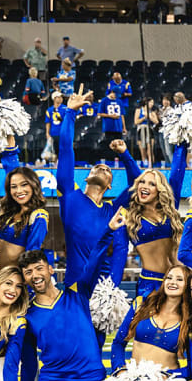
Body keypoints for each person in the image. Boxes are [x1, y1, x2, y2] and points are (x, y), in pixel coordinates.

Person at [13, 212, 120, 381]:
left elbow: (93, 262)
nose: (35, 275)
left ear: (50, 269)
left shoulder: (76, 293)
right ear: (24, 279)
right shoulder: (27, 315)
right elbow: (29, 361)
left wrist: (108, 230)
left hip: (87, 375)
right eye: (28, 272)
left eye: (39, 268)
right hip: (53, 378)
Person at [55, 93, 142, 299]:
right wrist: (70, 113)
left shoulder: (112, 210)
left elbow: (139, 184)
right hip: (74, 288)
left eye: (107, 169)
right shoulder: (69, 196)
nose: (102, 167)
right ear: (86, 178)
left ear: (110, 186)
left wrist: (125, 154)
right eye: (97, 167)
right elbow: (66, 150)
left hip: (103, 291)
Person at [100, 265, 192, 381]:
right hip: (133, 378)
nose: (172, 282)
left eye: (180, 279)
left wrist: (169, 376)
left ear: (187, 285)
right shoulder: (142, 303)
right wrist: (120, 369)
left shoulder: (189, 318)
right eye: (169, 278)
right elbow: (118, 343)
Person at [110, 140, 185, 298]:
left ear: (159, 190)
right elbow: (120, 254)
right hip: (150, 285)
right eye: (141, 182)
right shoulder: (128, 219)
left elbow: (177, 176)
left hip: (177, 280)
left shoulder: (170, 210)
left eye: (151, 184)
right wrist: (110, 291)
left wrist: (182, 142)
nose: (144, 186)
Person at [0, 136, 49, 269]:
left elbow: (32, 254)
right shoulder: (10, 212)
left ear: (33, 186)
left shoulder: (39, 216)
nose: (19, 191)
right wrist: (9, 136)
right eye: (14, 187)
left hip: (13, 284)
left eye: (24, 185)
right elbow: (11, 170)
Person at [133, 98, 155, 168]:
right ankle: (144, 165)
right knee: (142, 150)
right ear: (146, 103)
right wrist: (143, 118)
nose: (152, 104)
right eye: (151, 102)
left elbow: (156, 121)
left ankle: (150, 166)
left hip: (149, 130)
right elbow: (136, 122)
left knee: (150, 150)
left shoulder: (152, 112)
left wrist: (149, 117)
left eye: (153, 103)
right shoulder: (139, 110)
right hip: (141, 130)